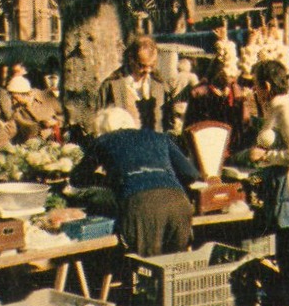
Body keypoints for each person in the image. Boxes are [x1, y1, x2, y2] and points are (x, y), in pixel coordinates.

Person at [71, 106, 199, 255]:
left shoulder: (103, 140)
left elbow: (77, 178)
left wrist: (108, 181)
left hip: (139, 205)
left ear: (102, 129)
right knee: (175, 267)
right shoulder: (159, 137)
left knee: (145, 267)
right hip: (178, 203)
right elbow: (191, 173)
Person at [245, 59, 289, 301]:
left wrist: (265, 155)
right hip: (286, 194)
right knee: (287, 260)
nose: (254, 91)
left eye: (256, 85)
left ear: (266, 84)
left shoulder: (286, 109)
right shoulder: (274, 108)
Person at [184, 48, 256, 152]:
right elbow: (191, 121)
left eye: (231, 75)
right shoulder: (200, 92)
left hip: (230, 143)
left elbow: (244, 121)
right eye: (223, 72)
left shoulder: (236, 92)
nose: (228, 78)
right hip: (205, 142)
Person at [99, 36, 170, 133]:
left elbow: (167, 122)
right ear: (131, 59)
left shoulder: (160, 85)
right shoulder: (111, 85)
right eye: (142, 66)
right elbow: (100, 124)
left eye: (152, 65)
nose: (148, 70)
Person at [0, 74, 61, 145]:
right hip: (33, 145)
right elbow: (9, 130)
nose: (12, 101)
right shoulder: (16, 110)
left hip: (56, 141)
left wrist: (53, 126)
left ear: (23, 94)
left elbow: (64, 116)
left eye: (15, 97)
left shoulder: (45, 97)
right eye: (11, 97)